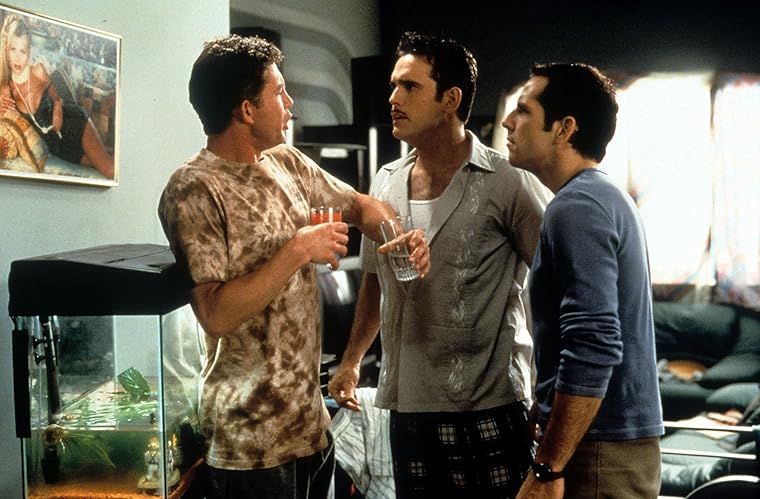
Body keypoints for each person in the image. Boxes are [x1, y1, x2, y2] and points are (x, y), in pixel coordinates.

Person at [157, 34, 428, 499]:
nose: (291, 104)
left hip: (310, 429)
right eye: (280, 92)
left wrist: (398, 237)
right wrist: (299, 249)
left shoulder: (287, 162)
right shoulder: (194, 188)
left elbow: (361, 206)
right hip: (251, 444)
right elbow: (215, 313)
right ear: (247, 110)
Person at [328, 31, 547, 498]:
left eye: (410, 86)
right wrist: (351, 361)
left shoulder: (507, 182)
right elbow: (374, 282)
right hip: (408, 407)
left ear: (451, 100)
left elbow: (556, 283)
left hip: (489, 404)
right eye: (393, 85)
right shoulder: (386, 182)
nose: (393, 98)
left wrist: (546, 390)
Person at [502, 63, 664, 499]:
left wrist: (548, 467)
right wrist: (548, 407)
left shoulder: (577, 207)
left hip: (600, 452)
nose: (507, 122)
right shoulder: (601, 197)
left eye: (524, 110)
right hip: (606, 443)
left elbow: (594, 343)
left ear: (564, 128)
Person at [0, 14, 114, 178]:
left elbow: (56, 96)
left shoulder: (38, 71)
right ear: (6, 50)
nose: (17, 58)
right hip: (58, 146)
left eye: (23, 51)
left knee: (110, 170)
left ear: (29, 52)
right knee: (105, 160)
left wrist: (58, 108)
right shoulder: (6, 89)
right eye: (13, 50)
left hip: (73, 123)